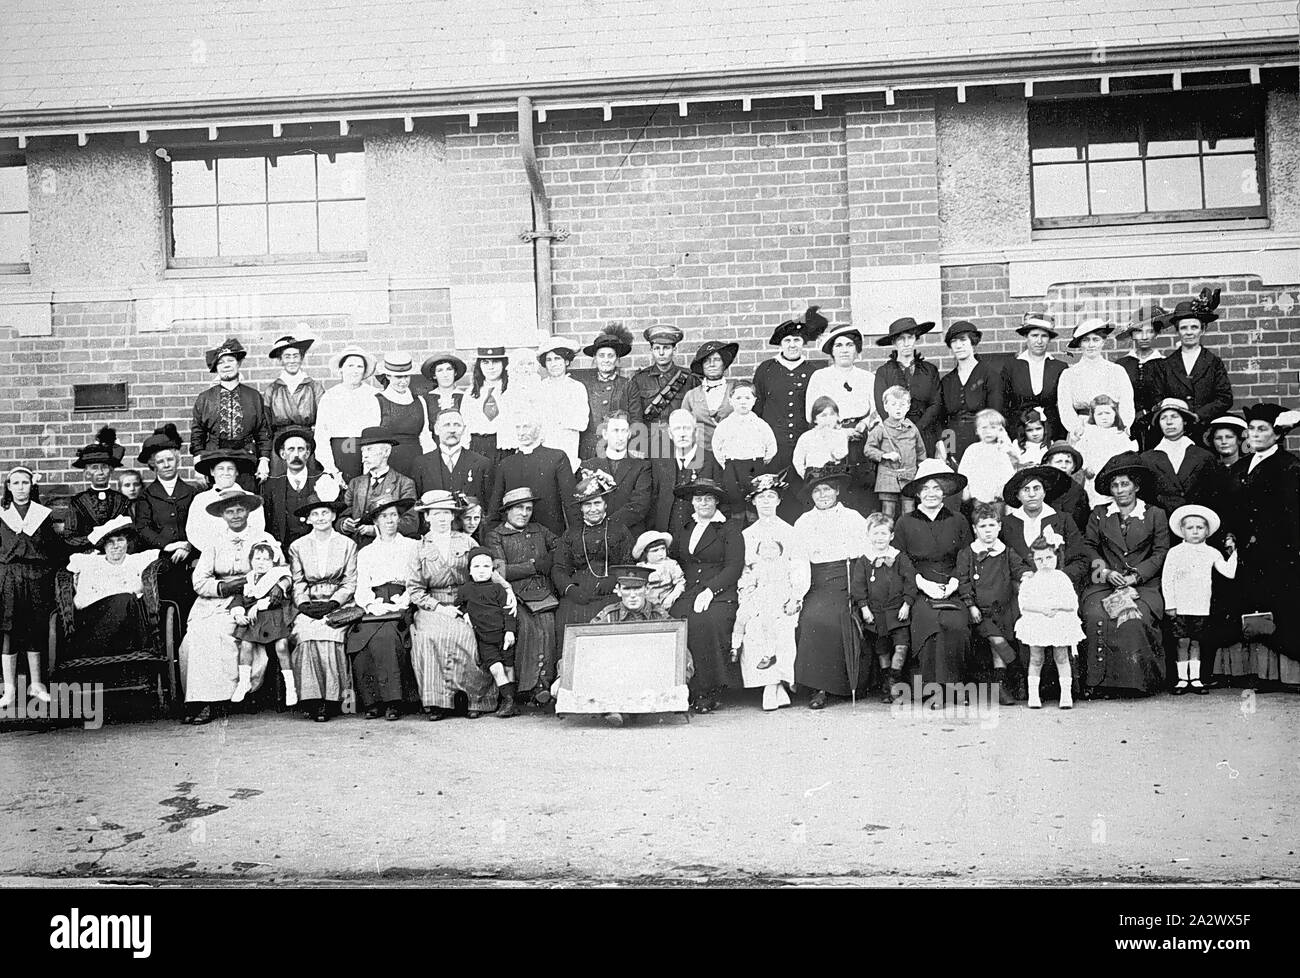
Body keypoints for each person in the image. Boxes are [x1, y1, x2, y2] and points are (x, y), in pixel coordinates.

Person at [178, 488, 280, 725]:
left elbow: (279, 570)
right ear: (222, 515)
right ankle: (198, 699)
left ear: (248, 512)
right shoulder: (213, 543)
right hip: (211, 603)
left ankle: (222, 698)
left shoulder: (263, 539)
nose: (235, 515)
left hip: (250, 601)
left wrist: (258, 586)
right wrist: (224, 587)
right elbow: (199, 581)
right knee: (193, 638)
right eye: (229, 511)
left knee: (221, 634)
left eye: (240, 510)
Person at [1079, 452, 1170, 697]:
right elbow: (1088, 547)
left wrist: (1136, 576)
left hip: (1143, 586)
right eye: (1114, 485)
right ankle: (1099, 683)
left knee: (1133, 619)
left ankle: (1137, 682)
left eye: (1125, 484)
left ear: (1136, 486)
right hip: (1104, 584)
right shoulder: (1099, 513)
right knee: (1095, 614)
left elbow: (1161, 552)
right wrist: (1105, 571)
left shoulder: (1154, 514)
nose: (1119, 490)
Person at [409, 490, 500, 719]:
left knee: (467, 636)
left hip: (467, 601)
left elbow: (484, 571)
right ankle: (438, 703)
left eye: (446, 513)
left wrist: (503, 591)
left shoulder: (467, 541)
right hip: (433, 605)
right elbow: (415, 590)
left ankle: (475, 699)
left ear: (453, 516)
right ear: (427, 517)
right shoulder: (419, 547)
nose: (441, 519)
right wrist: (440, 608)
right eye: (436, 513)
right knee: (430, 637)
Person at [1229, 403, 1300, 689]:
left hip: (1278, 553)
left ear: (1277, 435)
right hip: (1245, 551)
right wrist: (1231, 534)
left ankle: (1289, 676)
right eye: (1252, 429)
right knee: (1253, 608)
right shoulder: (1240, 466)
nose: (1255, 434)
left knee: (1279, 608)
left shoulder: (1289, 466)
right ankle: (1262, 674)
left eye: (1262, 429)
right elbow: (1229, 506)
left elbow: (1291, 513)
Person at [792, 464, 869, 708]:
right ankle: (818, 686)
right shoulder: (804, 522)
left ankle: (843, 684)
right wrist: (798, 593)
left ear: (837, 491)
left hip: (848, 577)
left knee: (839, 618)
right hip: (817, 581)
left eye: (827, 490)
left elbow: (865, 555)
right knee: (813, 618)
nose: (822, 495)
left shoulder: (853, 518)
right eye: (817, 491)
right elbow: (799, 560)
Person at [893, 458, 974, 688]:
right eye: (925, 488)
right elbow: (902, 560)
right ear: (918, 493)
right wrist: (921, 583)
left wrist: (954, 583)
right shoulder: (904, 522)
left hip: (952, 584)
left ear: (945, 491)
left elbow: (965, 555)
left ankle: (956, 687)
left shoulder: (958, 520)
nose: (931, 493)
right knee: (929, 622)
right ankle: (931, 689)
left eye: (936, 487)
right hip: (918, 587)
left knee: (956, 622)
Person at [731, 473, 806, 711]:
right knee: (753, 626)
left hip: (784, 594)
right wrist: (746, 596)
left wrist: (795, 596)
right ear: (753, 501)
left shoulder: (790, 532)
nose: (766, 501)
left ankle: (774, 685)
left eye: (771, 496)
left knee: (783, 626)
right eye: (761, 497)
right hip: (757, 594)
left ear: (778, 500)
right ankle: (771, 685)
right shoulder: (747, 535)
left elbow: (800, 566)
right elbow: (744, 572)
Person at [670, 479, 744, 714]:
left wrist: (711, 590)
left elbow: (734, 566)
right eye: (698, 499)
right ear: (692, 502)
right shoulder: (685, 527)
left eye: (708, 499)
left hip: (720, 590)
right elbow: (677, 561)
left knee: (705, 622)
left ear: (716, 501)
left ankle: (709, 690)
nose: (703, 503)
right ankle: (681, 687)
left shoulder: (729, 528)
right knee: (675, 617)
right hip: (690, 589)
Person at [484, 487, 561, 706]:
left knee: (548, 625)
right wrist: (535, 565)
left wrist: (545, 563)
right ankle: (526, 688)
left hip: (543, 593)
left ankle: (543, 686)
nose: (524, 513)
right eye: (519, 508)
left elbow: (559, 549)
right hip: (514, 595)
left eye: (528, 508)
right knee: (526, 627)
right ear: (507, 511)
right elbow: (500, 571)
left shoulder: (539, 530)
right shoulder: (496, 536)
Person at [288, 489, 358, 722]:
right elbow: (297, 581)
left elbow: (349, 581)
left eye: (324, 513)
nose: (320, 518)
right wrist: (305, 604)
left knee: (331, 633)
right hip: (308, 603)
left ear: (333, 516)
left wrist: (333, 602)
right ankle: (312, 699)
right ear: (308, 519)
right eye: (315, 514)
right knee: (306, 633)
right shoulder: (298, 546)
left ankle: (333, 699)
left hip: (339, 601)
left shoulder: (347, 544)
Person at [348, 496, 420, 720]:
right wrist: (371, 604)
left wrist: (403, 600)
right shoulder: (367, 552)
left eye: (394, 515)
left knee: (388, 636)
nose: (390, 520)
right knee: (358, 638)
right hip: (375, 603)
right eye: (384, 516)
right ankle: (372, 701)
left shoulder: (412, 546)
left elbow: (416, 580)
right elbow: (362, 586)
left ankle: (394, 701)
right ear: (376, 521)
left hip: (403, 601)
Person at [754, 305, 827, 519]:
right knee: (777, 494)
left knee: (804, 495)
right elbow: (757, 408)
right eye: (787, 340)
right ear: (781, 344)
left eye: (797, 340)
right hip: (775, 446)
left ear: (804, 343)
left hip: (804, 445)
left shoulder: (813, 370)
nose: (792, 345)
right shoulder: (766, 369)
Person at [0, 466, 61, 707]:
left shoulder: (41, 515)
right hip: (9, 577)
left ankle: (37, 684)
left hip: (37, 576)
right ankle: (10, 689)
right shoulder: (2, 515)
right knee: (9, 629)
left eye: (25, 483)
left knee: (36, 628)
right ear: (8, 486)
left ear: (31, 486)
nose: (21, 488)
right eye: (16, 483)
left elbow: (52, 549)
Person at [956, 503, 1029, 705]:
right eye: (982, 526)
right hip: (981, 611)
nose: (987, 531)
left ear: (998, 527)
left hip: (1003, 609)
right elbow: (963, 581)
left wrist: (1026, 575)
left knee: (998, 647)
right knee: (997, 642)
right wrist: (970, 605)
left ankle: (1002, 686)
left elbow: (1019, 568)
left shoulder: (1005, 552)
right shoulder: (967, 554)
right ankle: (1017, 673)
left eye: (991, 525)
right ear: (975, 529)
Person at [64, 515, 159, 668]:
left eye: (120, 540)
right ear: (104, 547)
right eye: (110, 542)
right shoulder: (92, 564)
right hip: (96, 619)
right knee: (126, 599)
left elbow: (164, 557)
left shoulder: (136, 561)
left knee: (129, 601)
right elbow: (81, 601)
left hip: (130, 621)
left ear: (127, 542)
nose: (116, 546)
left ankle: (140, 656)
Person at [1163, 504, 1237, 696]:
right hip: (1180, 606)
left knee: (1196, 642)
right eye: (1190, 528)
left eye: (1200, 528)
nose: (1195, 532)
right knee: (1182, 642)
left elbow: (1229, 573)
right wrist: (1170, 604)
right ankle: (1181, 679)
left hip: (1200, 606)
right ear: (1182, 531)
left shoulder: (1212, 552)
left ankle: (1195, 679)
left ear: (1207, 531)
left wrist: (1233, 553)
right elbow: (1167, 579)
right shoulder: (1175, 552)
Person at [807, 324, 880, 516]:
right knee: (836, 489)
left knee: (863, 492)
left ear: (856, 350)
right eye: (838, 345)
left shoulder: (867, 377)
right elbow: (812, 413)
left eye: (849, 345)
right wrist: (839, 432)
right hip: (830, 442)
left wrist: (864, 424)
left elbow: (876, 411)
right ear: (831, 351)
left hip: (861, 440)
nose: (844, 350)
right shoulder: (820, 377)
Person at [586, 565, 674, 727]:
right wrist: (562, 676)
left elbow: (680, 654)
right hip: (616, 677)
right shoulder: (609, 615)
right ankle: (617, 707)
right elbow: (584, 648)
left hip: (648, 678)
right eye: (627, 589)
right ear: (618, 591)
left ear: (647, 589)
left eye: (638, 588)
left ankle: (622, 708)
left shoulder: (659, 616)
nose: (632, 595)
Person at [552, 471, 634, 642]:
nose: (593, 509)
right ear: (581, 508)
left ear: (605, 505)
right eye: (587, 505)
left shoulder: (619, 530)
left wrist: (614, 579)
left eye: (597, 503)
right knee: (566, 619)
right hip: (579, 592)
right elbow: (559, 568)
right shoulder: (571, 534)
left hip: (610, 590)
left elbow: (628, 562)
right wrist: (570, 589)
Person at [851, 512, 917, 703]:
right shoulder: (864, 560)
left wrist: (907, 603)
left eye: (883, 534)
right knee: (882, 649)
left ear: (891, 536)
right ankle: (888, 686)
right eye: (875, 533)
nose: (880, 538)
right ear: (868, 536)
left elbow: (910, 582)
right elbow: (858, 586)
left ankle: (894, 680)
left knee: (901, 646)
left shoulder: (899, 558)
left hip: (897, 611)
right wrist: (864, 608)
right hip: (877, 613)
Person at [135, 424, 199, 617]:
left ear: (177, 460)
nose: (166, 465)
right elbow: (142, 528)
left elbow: (199, 526)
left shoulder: (192, 492)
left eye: (170, 459)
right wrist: (167, 546)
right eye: (161, 461)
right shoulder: (146, 495)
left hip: (191, 556)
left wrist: (187, 545)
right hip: (161, 558)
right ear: (153, 465)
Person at [1151, 288, 1234, 439]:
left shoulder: (1213, 363)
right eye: (1183, 328)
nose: (1189, 332)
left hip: (1206, 431)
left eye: (1194, 327)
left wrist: (1198, 415)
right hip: (1176, 433)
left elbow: (1225, 398)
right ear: (1178, 331)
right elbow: (1158, 399)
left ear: (1203, 330)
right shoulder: (1165, 366)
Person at [191, 338, 273, 488]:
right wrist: (198, 465)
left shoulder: (253, 396)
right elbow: (198, 434)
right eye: (221, 362)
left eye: (230, 360)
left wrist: (264, 461)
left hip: (246, 459)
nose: (226, 365)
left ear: (239, 363)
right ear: (216, 367)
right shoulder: (205, 398)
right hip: (214, 458)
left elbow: (262, 432)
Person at [1015, 535, 1085, 709]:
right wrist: (1042, 610)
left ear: (1056, 557)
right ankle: (1033, 694)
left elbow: (1072, 602)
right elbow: (1023, 604)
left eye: (1048, 558)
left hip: (1058, 619)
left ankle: (1066, 694)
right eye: (1039, 559)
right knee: (1036, 658)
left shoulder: (1061, 578)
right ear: (1033, 560)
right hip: (1038, 620)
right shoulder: (1030, 580)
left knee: (1061, 656)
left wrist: (1057, 607)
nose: (1044, 563)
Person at [1000, 465, 1089, 592]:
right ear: (1018, 496)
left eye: (1036, 488)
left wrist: (1059, 579)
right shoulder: (1007, 524)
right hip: (1021, 591)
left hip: (1059, 589)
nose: (1032, 494)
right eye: (1026, 490)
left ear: (1044, 492)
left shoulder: (1063, 519)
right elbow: (1002, 563)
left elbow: (1081, 559)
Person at [227, 540, 294, 705]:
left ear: (273, 562)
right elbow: (238, 600)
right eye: (257, 559)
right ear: (250, 561)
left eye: (266, 560)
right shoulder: (248, 580)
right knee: (246, 645)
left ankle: (290, 687)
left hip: (273, 617)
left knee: (282, 646)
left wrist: (258, 606)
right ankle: (244, 682)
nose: (261, 563)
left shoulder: (276, 577)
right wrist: (238, 614)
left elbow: (278, 598)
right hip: (254, 621)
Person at [489, 418, 580, 537]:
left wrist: (577, 535)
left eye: (526, 427)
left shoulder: (557, 457)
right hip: (514, 538)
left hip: (550, 535)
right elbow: (495, 508)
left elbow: (571, 503)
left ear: (538, 428)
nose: (521, 432)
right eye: (518, 427)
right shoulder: (506, 464)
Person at [457, 547, 519, 717]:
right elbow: (459, 605)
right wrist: (466, 613)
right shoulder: (466, 590)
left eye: (486, 566)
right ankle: (508, 700)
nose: (481, 571)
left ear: (492, 569)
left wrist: (509, 632)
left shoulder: (498, 589)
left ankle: (510, 701)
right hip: (484, 638)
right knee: (496, 669)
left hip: (503, 635)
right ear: (469, 570)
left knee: (508, 667)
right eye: (476, 567)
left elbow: (509, 611)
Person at [336, 427, 419, 546]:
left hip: (390, 548)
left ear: (386, 452)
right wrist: (344, 525)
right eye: (363, 451)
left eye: (369, 450)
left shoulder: (404, 484)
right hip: (358, 549)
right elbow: (342, 515)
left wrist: (376, 530)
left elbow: (411, 523)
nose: (364, 456)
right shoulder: (355, 483)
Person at [873, 316, 943, 455]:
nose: (906, 343)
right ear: (894, 342)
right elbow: (882, 406)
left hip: (925, 432)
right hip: (895, 436)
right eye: (901, 339)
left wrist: (917, 429)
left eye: (910, 337)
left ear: (916, 338)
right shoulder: (884, 372)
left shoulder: (930, 370)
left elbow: (936, 404)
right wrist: (900, 429)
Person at [1141, 397, 1223, 515]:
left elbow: (1214, 497)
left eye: (1174, 417)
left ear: (1184, 421)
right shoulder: (1147, 458)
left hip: (1195, 524)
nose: (1169, 422)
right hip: (1161, 526)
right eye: (1163, 418)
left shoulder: (1204, 456)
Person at [1056, 319, 1134, 440]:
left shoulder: (1117, 371)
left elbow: (1127, 405)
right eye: (1086, 340)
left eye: (1096, 339)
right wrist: (1076, 428)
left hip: (1112, 429)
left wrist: (1121, 426)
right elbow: (1065, 408)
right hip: (1083, 430)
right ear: (1080, 344)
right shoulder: (1069, 375)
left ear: (1103, 341)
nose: (1091, 345)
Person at [711, 381, 777, 521]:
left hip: (755, 466)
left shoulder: (760, 424)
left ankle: (754, 526)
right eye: (738, 398)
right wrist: (727, 464)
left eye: (747, 398)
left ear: (754, 401)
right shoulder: (725, 425)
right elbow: (717, 446)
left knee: (754, 499)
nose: (743, 402)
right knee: (736, 501)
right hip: (733, 467)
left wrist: (762, 461)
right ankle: (737, 527)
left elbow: (771, 445)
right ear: (730, 401)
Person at [263, 332, 326, 477]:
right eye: (287, 356)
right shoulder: (272, 389)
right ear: (280, 360)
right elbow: (266, 423)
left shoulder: (314, 387)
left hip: (307, 443)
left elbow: (324, 420)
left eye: (295, 356)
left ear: (302, 358)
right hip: (281, 445)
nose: (292, 361)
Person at [937, 320, 1003, 460]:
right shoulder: (947, 381)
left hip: (982, 441)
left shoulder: (989, 375)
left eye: (963, 340)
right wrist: (948, 451)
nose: (958, 345)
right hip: (955, 443)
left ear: (973, 342)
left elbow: (995, 414)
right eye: (954, 341)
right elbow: (944, 421)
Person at [581, 412, 652, 538]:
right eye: (615, 431)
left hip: (629, 535)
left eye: (624, 431)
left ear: (629, 434)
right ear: (605, 434)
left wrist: (607, 525)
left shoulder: (642, 466)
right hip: (596, 537)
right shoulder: (589, 466)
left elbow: (639, 506)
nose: (620, 437)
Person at [1002, 310, 1068, 444]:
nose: (1039, 341)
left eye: (1044, 336)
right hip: (1019, 432)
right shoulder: (1011, 367)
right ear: (1026, 336)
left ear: (1049, 338)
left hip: (1052, 431)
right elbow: (1004, 404)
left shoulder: (1059, 367)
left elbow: (1064, 404)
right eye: (1034, 335)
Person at [314, 344, 377, 483]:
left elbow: (376, 429)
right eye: (350, 366)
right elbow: (321, 436)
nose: (355, 371)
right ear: (341, 369)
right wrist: (331, 469)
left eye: (359, 367)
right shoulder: (330, 396)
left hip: (367, 452)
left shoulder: (373, 395)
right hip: (338, 453)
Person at [578, 326, 643, 461]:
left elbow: (636, 420)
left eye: (610, 356)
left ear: (617, 359)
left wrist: (633, 449)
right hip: (590, 449)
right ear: (595, 358)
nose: (606, 360)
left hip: (619, 448)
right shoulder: (584, 385)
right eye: (601, 356)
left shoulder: (628, 385)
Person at [632, 324, 699, 452]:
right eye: (657, 348)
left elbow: (696, 415)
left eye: (666, 348)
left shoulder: (690, 378)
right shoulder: (639, 380)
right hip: (651, 443)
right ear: (651, 350)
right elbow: (636, 417)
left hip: (681, 441)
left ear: (675, 349)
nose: (661, 353)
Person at [186, 451, 267, 556]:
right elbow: (193, 532)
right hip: (211, 554)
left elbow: (257, 528)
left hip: (244, 554)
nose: (226, 473)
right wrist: (214, 551)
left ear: (237, 472)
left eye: (230, 469)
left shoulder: (250, 498)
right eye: (220, 469)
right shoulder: (201, 500)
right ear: (212, 472)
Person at [864, 386, 928, 520]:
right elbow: (868, 449)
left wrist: (921, 473)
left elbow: (921, 452)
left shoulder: (913, 429)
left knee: (909, 512)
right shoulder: (880, 428)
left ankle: (908, 538)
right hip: (888, 476)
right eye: (893, 405)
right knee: (888, 512)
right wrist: (884, 455)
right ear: (886, 407)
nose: (898, 408)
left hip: (909, 477)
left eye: (902, 405)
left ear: (908, 407)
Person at [259, 428, 327, 551]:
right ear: (283, 454)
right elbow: (267, 526)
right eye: (291, 449)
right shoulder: (271, 485)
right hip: (285, 552)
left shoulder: (323, 480)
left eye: (300, 449)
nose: (296, 455)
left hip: (318, 550)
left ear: (307, 453)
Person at [65, 428, 131, 551]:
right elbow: (70, 537)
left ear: (111, 470)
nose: (100, 472)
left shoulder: (122, 500)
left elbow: (130, 533)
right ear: (87, 473)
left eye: (104, 467)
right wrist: (91, 539)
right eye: (94, 468)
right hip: (89, 554)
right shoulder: (78, 501)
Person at [372, 352, 436, 478]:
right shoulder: (378, 401)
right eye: (398, 377)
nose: (403, 381)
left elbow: (425, 436)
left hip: (416, 460)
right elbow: (373, 440)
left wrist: (431, 463)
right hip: (388, 462)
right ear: (388, 376)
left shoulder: (419, 401)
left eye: (406, 376)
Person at [1115, 305, 1170, 451]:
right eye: (1139, 331)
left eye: (1150, 331)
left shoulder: (1166, 364)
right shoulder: (1121, 365)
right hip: (1127, 427)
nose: (1144, 337)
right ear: (1132, 335)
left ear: (1156, 334)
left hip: (1157, 426)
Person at [459, 346, 519, 478]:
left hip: (503, 446)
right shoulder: (471, 392)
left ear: (504, 364)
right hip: (478, 445)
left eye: (495, 362)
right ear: (479, 366)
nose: (491, 367)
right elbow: (464, 425)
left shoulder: (513, 390)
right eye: (485, 362)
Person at [534, 335, 590, 471]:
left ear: (566, 361)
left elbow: (582, 423)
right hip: (544, 448)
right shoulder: (539, 388)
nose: (553, 364)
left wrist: (557, 418)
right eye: (549, 360)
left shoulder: (576, 388)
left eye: (558, 358)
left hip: (567, 448)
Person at [411, 408, 492, 500]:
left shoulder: (482, 463)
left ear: (464, 429)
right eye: (446, 425)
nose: (452, 430)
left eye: (457, 425)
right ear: (436, 429)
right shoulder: (421, 464)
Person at [1074, 394, 1138, 508]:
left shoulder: (1120, 435)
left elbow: (1129, 456)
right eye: (1099, 414)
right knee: (1096, 505)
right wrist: (1086, 467)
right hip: (1094, 475)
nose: (1104, 417)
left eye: (1107, 413)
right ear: (1093, 416)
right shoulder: (1088, 434)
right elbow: (1080, 454)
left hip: (1116, 476)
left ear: (1115, 414)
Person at [680, 339, 740, 457]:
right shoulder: (691, 395)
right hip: (701, 456)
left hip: (732, 454)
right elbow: (684, 428)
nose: (711, 364)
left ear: (724, 364)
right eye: (707, 360)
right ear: (702, 366)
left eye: (717, 360)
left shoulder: (736, 390)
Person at [957, 408, 1020, 509]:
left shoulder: (1002, 449)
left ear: (1000, 430)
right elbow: (964, 471)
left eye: (993, 427)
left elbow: (1008, 472)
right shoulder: (973, 449)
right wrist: (966, 490)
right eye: (984, 428)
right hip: (977, 496)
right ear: (977, 430)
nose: (988, 432)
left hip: (997, 497)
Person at [793, 396, 850, 478]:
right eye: (823, 415)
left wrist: (830, 437)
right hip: (812, 476)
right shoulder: (806, 437)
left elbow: (840, 455)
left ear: (837, 417)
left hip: (833, 476)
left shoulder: (840, 435)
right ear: (815, 419)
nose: (828, 419)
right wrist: (805, 475)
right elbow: (798, 460)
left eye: (832, 414)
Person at [1042, 441, 1092, 532]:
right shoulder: (1041, 488)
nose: (1063, 466)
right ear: (1048, 464)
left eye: (1068, 462)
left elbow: (1082, 523)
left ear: (1073, 467)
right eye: (1058, 462)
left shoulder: (1079, 492)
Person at [634, 530, 685, 614]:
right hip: (646, 605)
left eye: (663, 549)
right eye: (655, 550)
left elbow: (681, 583)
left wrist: (671, 597)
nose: (661, 553)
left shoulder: (670, 564)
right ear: (645, 553)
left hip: (668, 603)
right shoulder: (641, 567)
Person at [419, 353, 468, 422]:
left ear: (455, 373)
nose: (445, 375)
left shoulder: (466, 397)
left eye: (449, 369)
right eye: (440, 370)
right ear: (434, 375)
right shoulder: (426, 399)